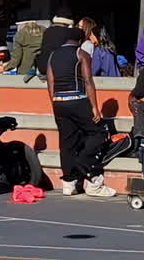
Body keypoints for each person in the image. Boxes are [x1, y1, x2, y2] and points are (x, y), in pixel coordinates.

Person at [45, 27, 115, 197]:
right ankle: (83, 165)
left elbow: (50, 81)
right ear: (80, 40)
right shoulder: (81, 53)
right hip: (78, 99)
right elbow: (88, 81)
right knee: (98, 133)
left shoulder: (53, 55)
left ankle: (69, 183)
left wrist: (54, 102)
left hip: (59, 101)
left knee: (67, 142)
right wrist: (95, 107)